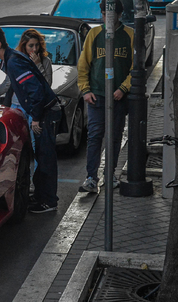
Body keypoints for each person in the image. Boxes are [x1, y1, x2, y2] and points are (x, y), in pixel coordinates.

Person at [0, 26, 61, 213]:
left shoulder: (14, 62)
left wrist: (36, 118)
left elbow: (36, 92)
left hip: (46, 114)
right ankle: (41, 196)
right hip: (44, 112)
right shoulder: (11, 59)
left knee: (45, 157)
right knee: (41, 155)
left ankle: (49, 202)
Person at [77, 0, 134, 193]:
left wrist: (124, 88)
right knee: (94, 137)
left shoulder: (129, 35)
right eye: (103, 14)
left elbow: (136, 68)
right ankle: (91, 177)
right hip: (97, 96)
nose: (106, 18)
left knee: (115, 137)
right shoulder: (94, 34)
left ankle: (110, 174)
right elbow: (84, 64)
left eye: (109, 14)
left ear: (119, 15)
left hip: (118, 97)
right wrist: (85, 90)